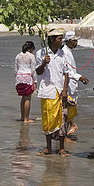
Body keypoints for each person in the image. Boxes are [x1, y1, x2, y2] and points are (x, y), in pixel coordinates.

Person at [35, 28, 70, 156]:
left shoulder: (62, 54)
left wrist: (65, 89)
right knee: (48, 119)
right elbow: (38, 72)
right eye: (60, 39)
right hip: (48, 91)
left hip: (60, 91)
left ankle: (61, 148)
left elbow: (66, 73)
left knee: (62, 119)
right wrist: (44, 62)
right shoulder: (41, 53)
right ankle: (48, 147)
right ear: (51, 39)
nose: (62, 41)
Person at [61, 31, 89, 140]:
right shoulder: (64, 52)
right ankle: (65, 135)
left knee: (69, 108)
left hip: (72, 84)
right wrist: (80, 77)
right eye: (74, 41)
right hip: (67, 85)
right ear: (68, 41)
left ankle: (68, 130)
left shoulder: (68, 51)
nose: (76, 43)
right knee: (66, 109)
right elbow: (68, 71)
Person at [15, 41, 37, 123]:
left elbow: (15, 69)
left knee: (23, 98)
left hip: (19, 77)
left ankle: (22, 116)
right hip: (27, 77)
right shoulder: (31, 56)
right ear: (31, 48)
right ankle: (26, 118)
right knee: (28, 98)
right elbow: (33, 69)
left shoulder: (18, 56)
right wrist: (35, 81)